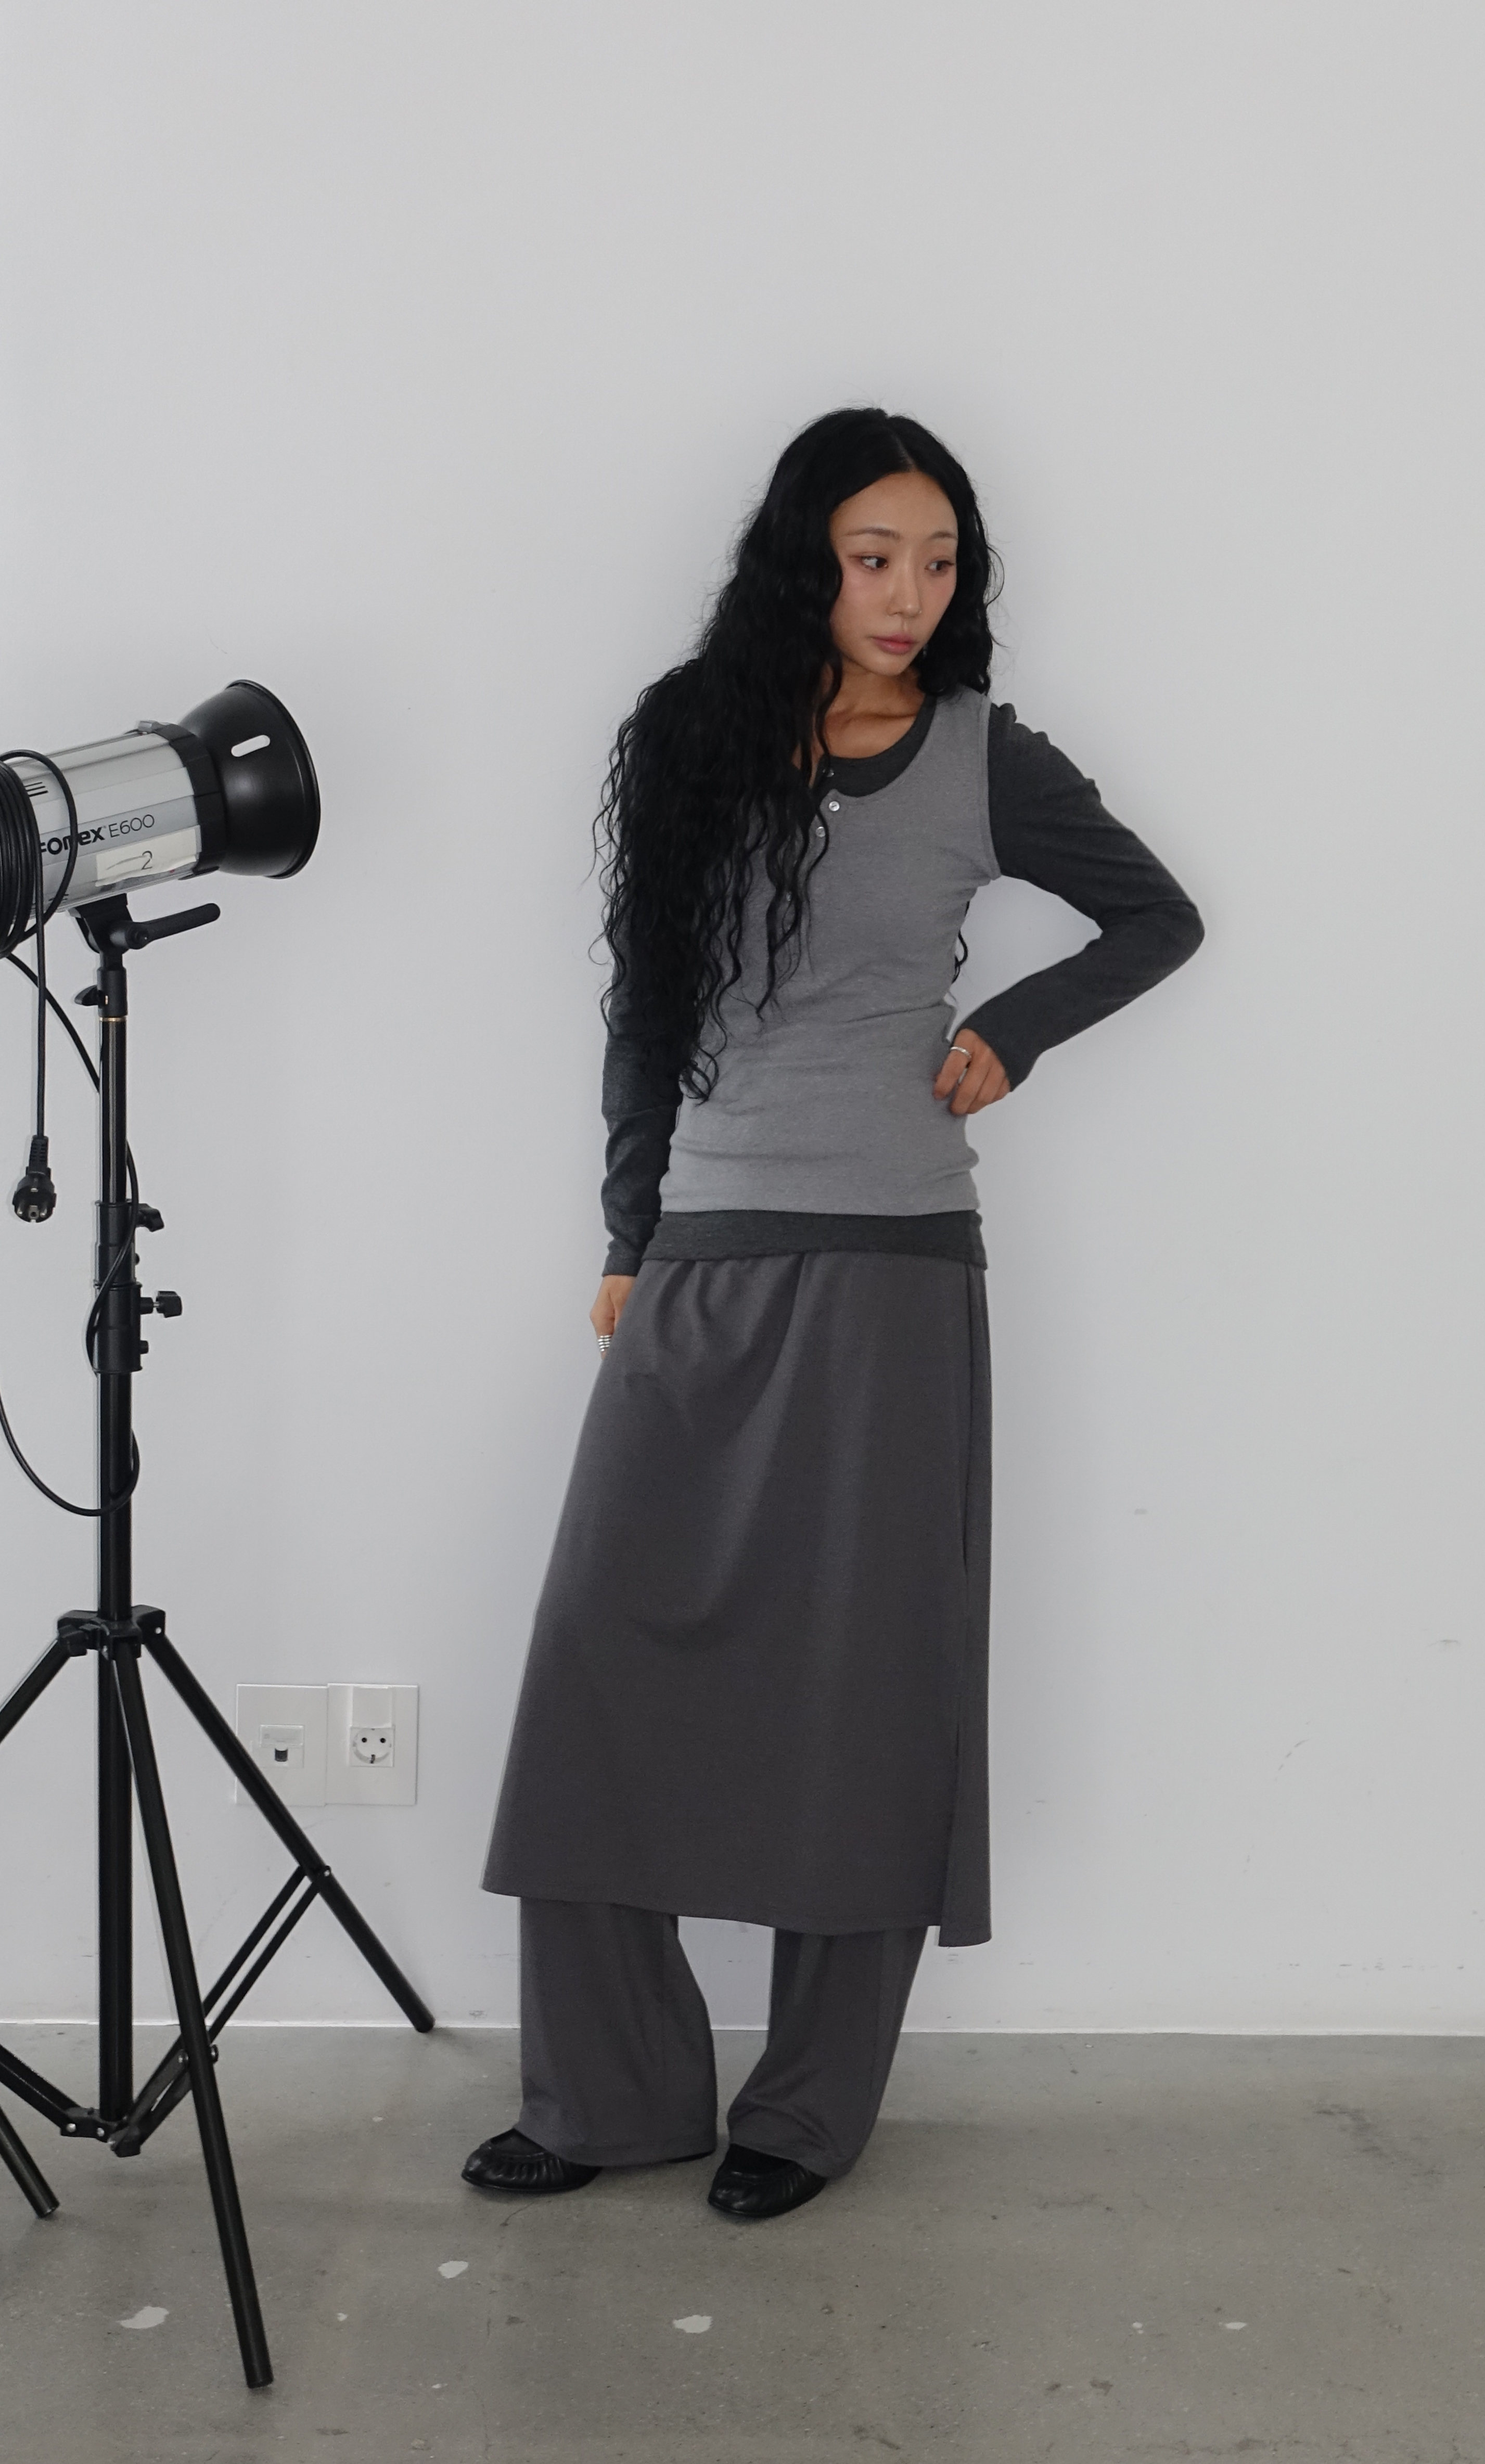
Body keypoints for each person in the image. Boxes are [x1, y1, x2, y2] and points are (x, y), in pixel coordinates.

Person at [466, 407, 1203, 2221]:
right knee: (596, 1666)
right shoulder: (689, 737)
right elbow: (646, 1010)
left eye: (939, 562)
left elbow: (1158, 918)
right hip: (709, 1246)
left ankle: (804, 2112)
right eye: (876, 557)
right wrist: (632, 1231)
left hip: (895, 1268)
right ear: (806, 558)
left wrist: (1013, 1030)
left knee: (863, 1691)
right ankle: (612, 2097)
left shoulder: (985, 756)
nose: (908, 593)